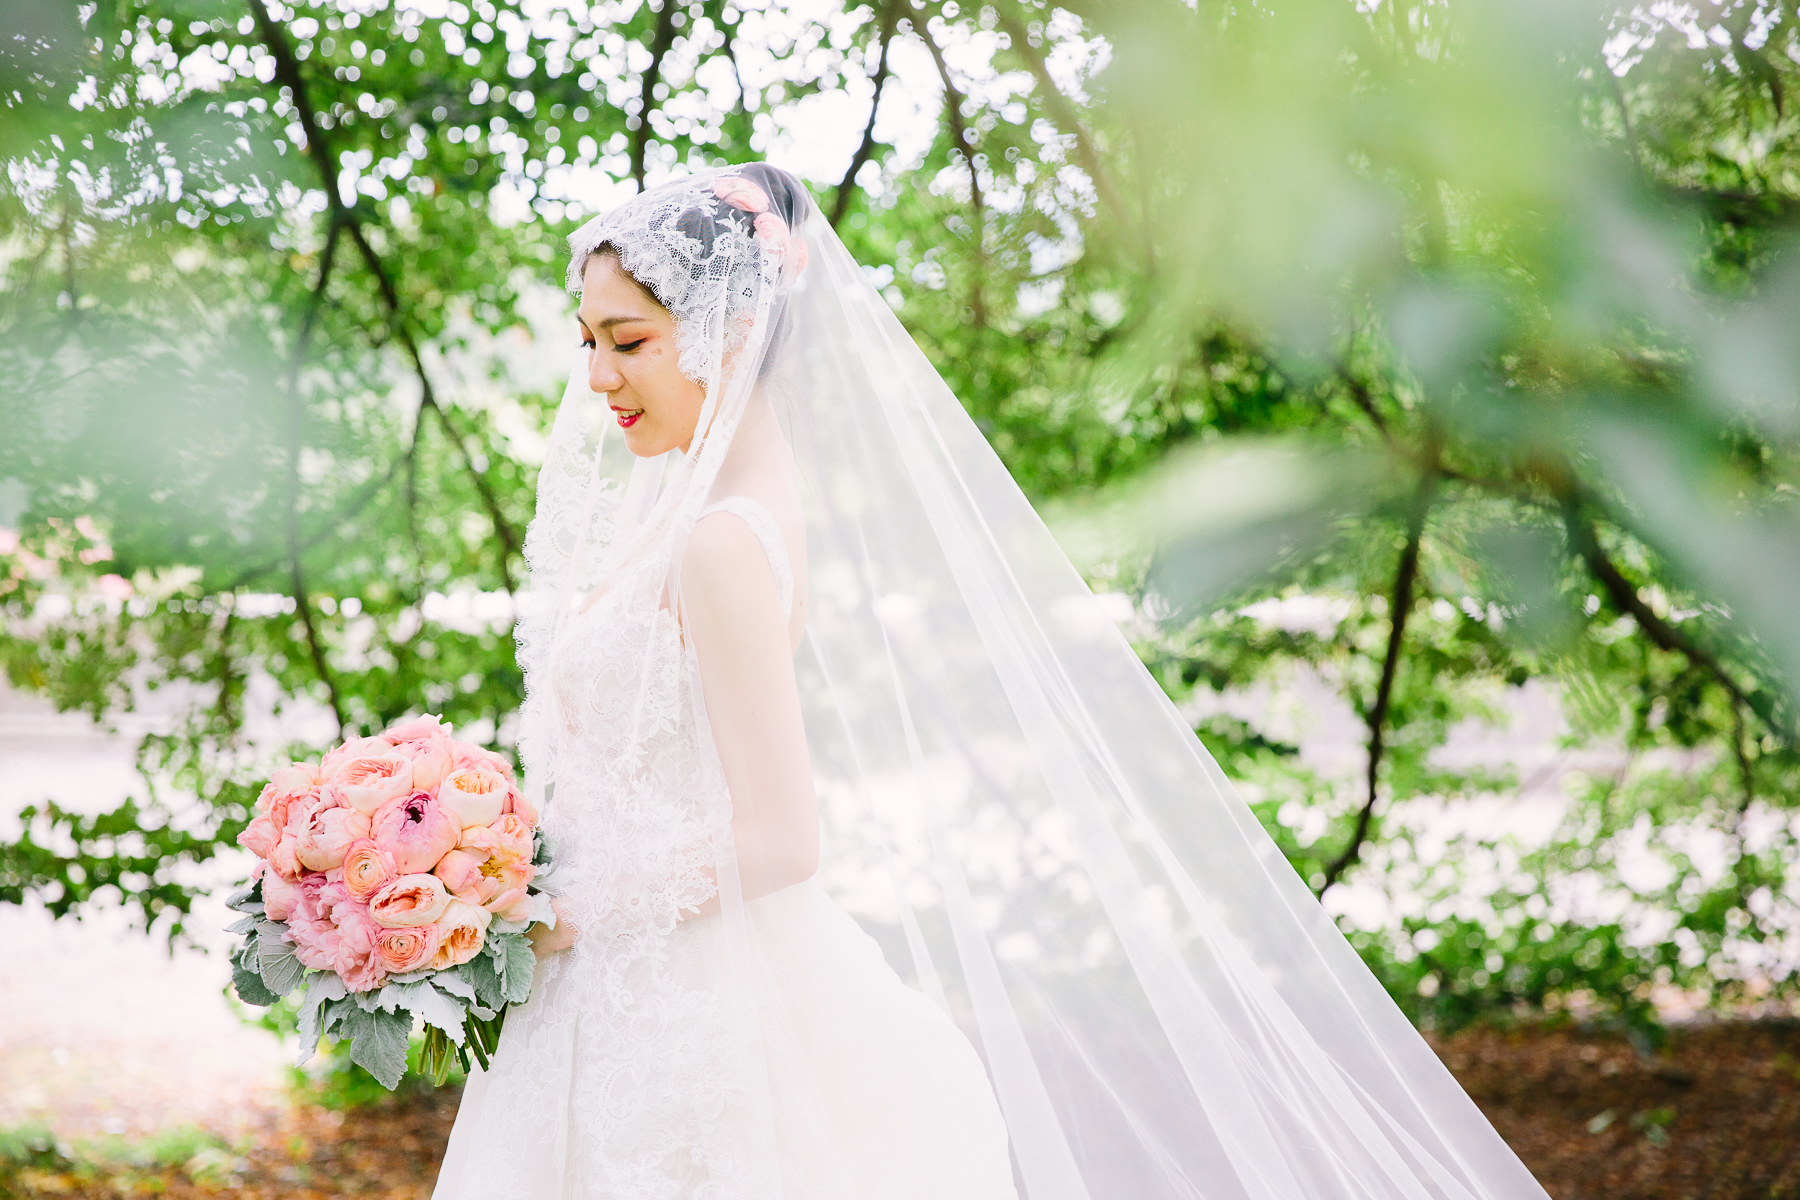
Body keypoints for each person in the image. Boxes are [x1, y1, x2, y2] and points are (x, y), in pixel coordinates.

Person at [431, 164, 1550, 1199]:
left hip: (671, 1004)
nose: (597, 376)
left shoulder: (721, 540)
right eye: (589, 340)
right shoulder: (701, 506)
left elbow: (781, 838)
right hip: (617, 985)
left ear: (730, 326)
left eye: (627, 340)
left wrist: (556, 912)